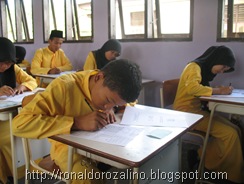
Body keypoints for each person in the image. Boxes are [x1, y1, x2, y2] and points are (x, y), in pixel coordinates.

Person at [13, 59, 142, 184]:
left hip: (102, 144)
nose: (107, 107)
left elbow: (129, 103)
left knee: (139, 161)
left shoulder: (111, 86)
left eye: (113, 104)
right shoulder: (64, 87)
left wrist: (114, 108)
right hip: (68, 149)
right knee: (87, 177)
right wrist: (76, 122)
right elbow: (19, 124)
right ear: (98, 78)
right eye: (108, 100)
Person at [173, 45, 244, 183]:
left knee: (236, 129)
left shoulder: (202, 69)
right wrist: (219, 91)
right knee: (230, 134)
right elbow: (193, 88)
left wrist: (218, 89)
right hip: (185, 114)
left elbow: (200, 88)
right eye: (223, 67)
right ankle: (231, 176)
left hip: (196, 112)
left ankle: (201, 157)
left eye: (225, 70)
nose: (222, 71)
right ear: (215, 59)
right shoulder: (193, 66)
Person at [0, 37, 37, 184]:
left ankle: (20, 170)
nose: (4, 67)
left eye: (8, 64)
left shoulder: (13, 68)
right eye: (1, 63)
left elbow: (32, 80)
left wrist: (22, 87)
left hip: (9, 113)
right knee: (4, 140)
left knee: (25, 132)